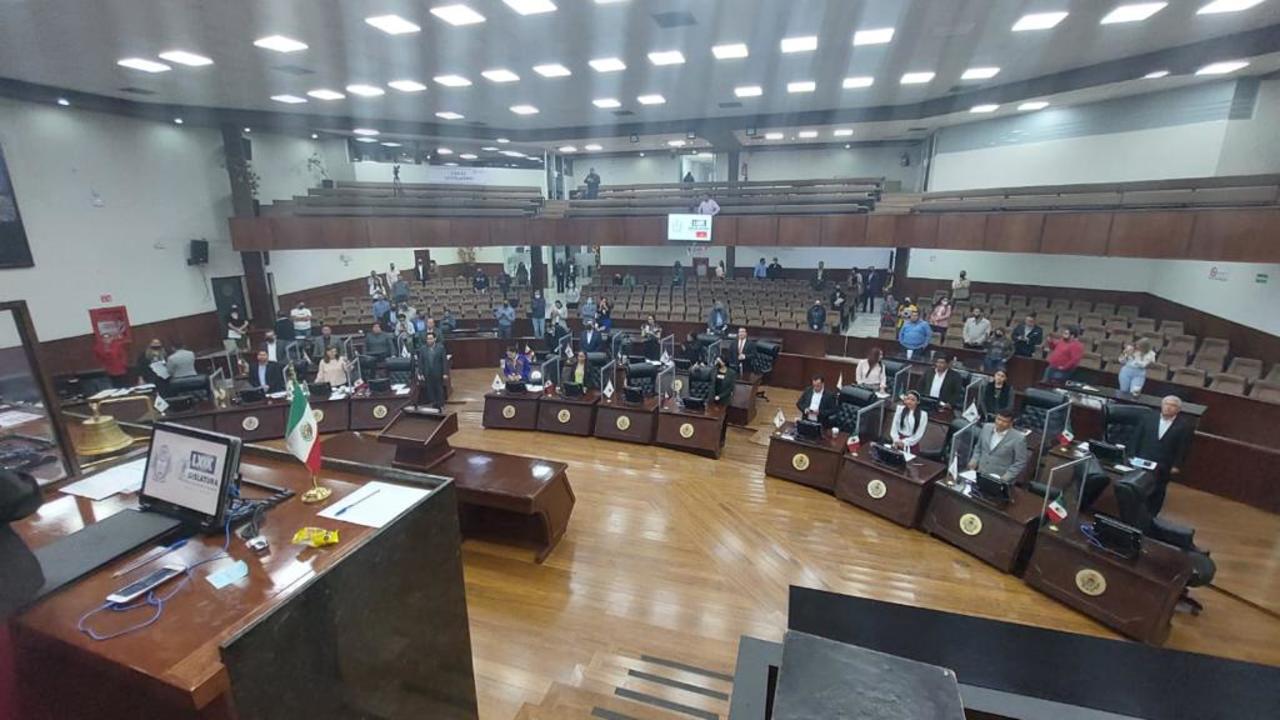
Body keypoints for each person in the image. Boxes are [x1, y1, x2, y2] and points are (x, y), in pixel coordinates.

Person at [1132, 395, 1194, 515]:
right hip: (1143, 458)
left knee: (1158, 491)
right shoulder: (1148, 418)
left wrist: (1177, 465)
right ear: (1162, 405)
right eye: (1166, 404)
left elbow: (1184, 447)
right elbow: (1137, 437)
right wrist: (1131, 454)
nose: (1169, 407)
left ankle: (1151, 515)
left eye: (1173, 405)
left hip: (1164, 464)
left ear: (1178, 410)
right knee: (1137, 486)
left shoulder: (1185, 426)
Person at [968, 411, 1029, 482]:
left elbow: (1020, 462)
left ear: (1011, 423)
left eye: (1004, 421)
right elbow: (978, 447)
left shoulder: (1018, 438)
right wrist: (974, 459)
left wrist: (1006, 477)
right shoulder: (986, 427)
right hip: (980, 472)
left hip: (1000, 478)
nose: (1000, 423)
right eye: (998, 419)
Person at [416, 332, 448, 409]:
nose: (429, 340)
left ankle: (441, 405)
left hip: (438, 372)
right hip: (427, 373)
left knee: (439, 389)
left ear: (435, 339)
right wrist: (421, 373)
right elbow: (420, 362)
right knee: (430, 390)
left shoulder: (440, 348)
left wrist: (445, 373)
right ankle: (433, 404)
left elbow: (444, 361)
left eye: (431, 339)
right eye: (428, 339)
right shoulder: (422, 349)